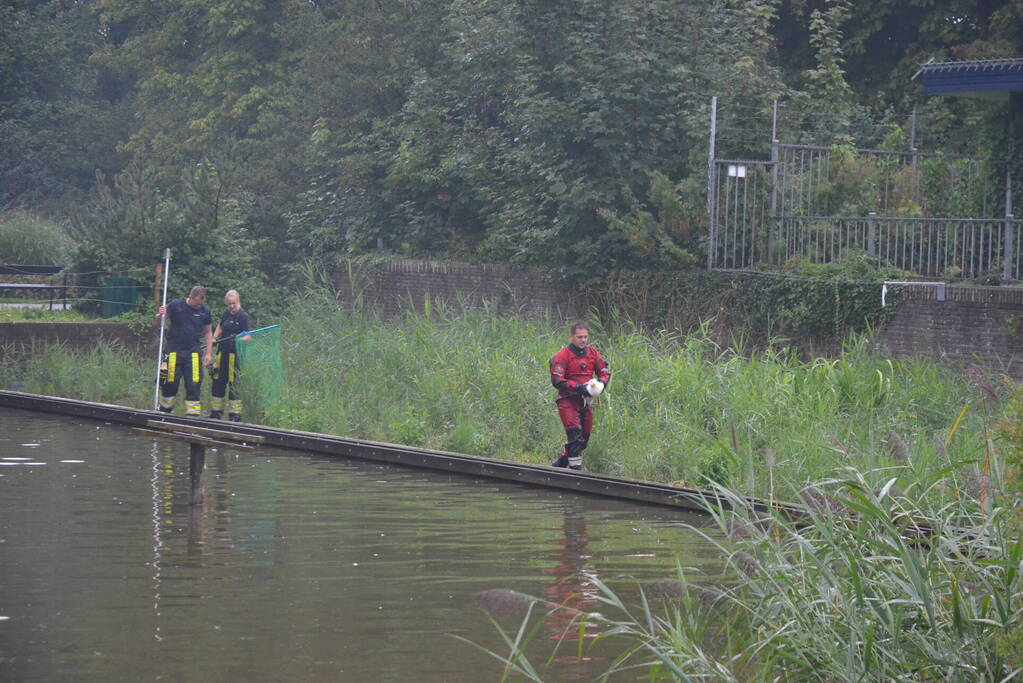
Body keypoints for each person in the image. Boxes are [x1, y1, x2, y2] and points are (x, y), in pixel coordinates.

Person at [549, 322, 611, 470]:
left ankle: (563, 461)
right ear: (571, 337)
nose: (583, 340)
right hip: (567, 401)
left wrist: (601, 384)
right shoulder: (562, 355)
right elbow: (557, 380)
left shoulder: (593, 353)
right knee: (574, 433)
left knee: (584, 438)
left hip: (586, 402)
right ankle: (576, 471)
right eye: (579, 337)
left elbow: (604, 370)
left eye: (585, 337)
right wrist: (578, 387)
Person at [156, 285, 213, 416]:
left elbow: (208, 331)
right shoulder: (176, 305)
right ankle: (164, 412)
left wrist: (209, 353)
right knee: (170, 384)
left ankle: (192, 417)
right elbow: (160, 320)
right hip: (173, 352)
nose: (199, 305)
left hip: (193, 353)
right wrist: (160, 314)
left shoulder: (205, 311)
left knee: (194, 384)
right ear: (191, 297)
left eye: (202, 303)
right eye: (198, 303)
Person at [210, 289, 251, 421]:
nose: (231, 306)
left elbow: (248, 336)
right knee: (218, 382)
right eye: (229, 304)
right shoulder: (226, 313)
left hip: (235, 356)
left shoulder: (243, 316)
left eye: (233, 303)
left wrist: (238, 339)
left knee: (234, 385)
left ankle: (234, 415)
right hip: (222, 354)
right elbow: (220, 327)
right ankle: (216, 413)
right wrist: (214, 337)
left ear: (238, 302)